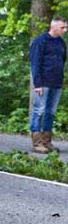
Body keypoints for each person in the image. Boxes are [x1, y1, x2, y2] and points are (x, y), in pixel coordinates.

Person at [29, 16, 67, 153]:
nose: (65, 30)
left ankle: (46, 141)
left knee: (50, 112)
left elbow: (62, 62)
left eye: (65, 27)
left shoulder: (62, 43)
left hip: (56, 83)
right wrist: (37, 84)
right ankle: (37, 141)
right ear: (54, 27)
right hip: (43, 83)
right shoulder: (40, 42)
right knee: (39, 111)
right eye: (62, 27)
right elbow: (35, 63)